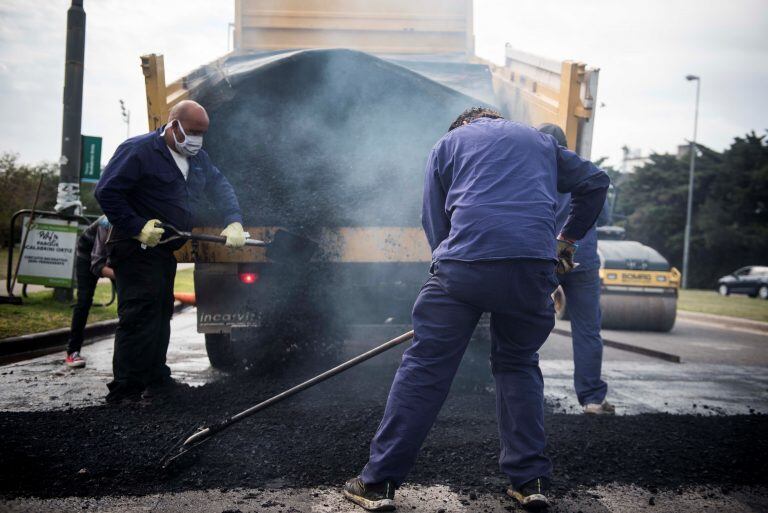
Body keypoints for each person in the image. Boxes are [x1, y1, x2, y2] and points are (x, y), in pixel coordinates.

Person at [342, 107, 610, 511]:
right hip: (533, 270)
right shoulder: (541, 142)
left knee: (426, 368)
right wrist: (567, 240)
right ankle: (530, 481)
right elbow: (596, 181)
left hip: (463, 268)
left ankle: (378, 484)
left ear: (462, 125)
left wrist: (450, 274)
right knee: (518, 364)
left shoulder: (448, 144)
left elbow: (434, 220)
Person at [95, 100, 245, 403]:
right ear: (172, 124)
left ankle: (156, 379)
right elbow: (107, 191)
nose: (196, 140)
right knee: (139, 313)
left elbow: (221, 186)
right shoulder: (138, 151)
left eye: (202, 133)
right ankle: (126, 389)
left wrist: (234, 221)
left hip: (163, 250)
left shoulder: (198, 159)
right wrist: (137, 226)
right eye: (192, 132)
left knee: (160, 311)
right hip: (134, 247)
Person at [538, 123, 614, 415]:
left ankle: (522, 390)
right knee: (587, 329)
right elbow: (602, 213)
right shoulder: (583, 170)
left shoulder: (533, 174)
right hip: (582, 258)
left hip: (547, 258)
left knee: (525, 320)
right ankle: (593, 399)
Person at [64, 215, 113, 368]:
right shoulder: (107, 222)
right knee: (84, 301)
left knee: (129, 300)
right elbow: (97, 265)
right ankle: (73, 351)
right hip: (87, 256)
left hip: (114, 257)